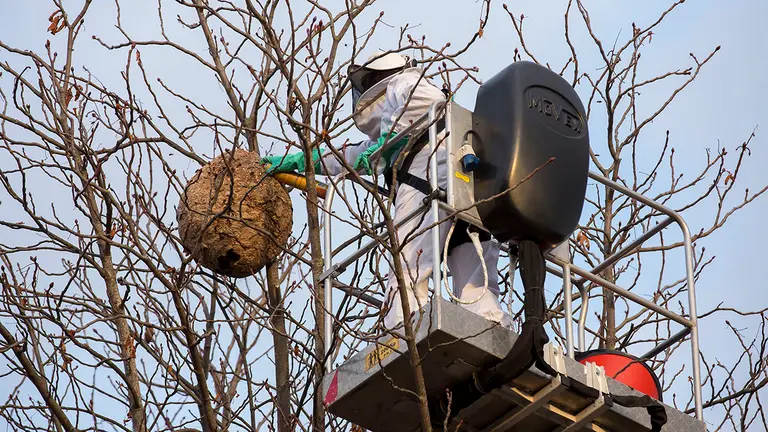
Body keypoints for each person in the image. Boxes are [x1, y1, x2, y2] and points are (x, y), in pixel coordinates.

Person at [264, 50, 510, 330]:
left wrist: (387, 143)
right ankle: (489, 326)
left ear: (378, 78)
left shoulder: (404, 83)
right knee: (470, 257)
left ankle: (401, 331)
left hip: (428, 176)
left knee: (408, 262)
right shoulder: (406, 114)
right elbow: (350, 155)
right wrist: (302, 160)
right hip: (468, 183)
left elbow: (426, 106)